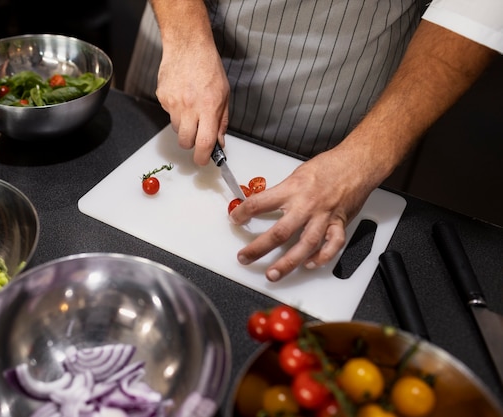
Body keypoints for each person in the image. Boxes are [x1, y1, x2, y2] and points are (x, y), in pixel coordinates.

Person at [124, 0, 502, 282]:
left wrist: (362, 160)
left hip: (325, 91)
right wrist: (186, 38)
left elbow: (474, 11)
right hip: (171, 51)